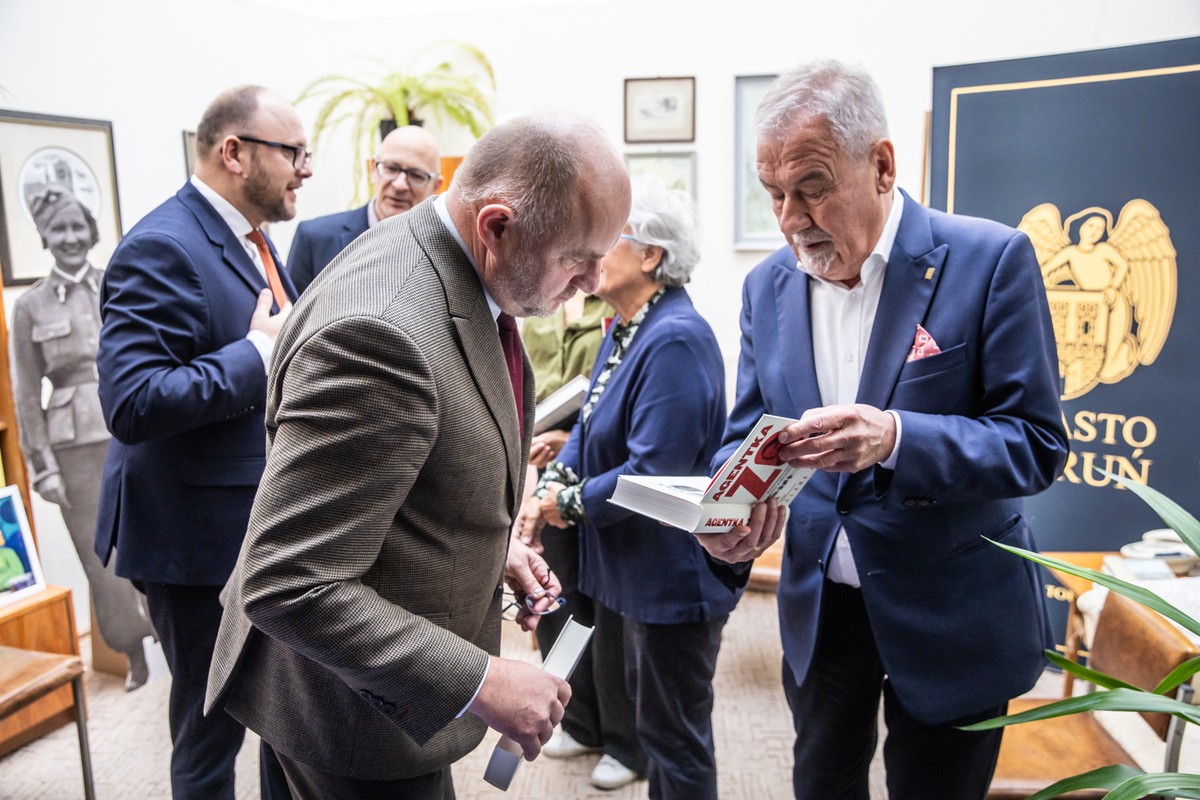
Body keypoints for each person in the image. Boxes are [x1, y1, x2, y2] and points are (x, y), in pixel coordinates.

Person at [205, 111, 631, 799]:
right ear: (496, 226)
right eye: (578, 258)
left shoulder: (447, 258)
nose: (593, 280)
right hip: (352, 720)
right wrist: (483, 680)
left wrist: (491, 548)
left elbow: (414, 468)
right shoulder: (384, 333)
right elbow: (291, 581)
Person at [693, 60, 1069, 800]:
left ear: (883, 166)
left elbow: (1036, 443)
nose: (790, 219)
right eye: (773, 193)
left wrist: (897, 437)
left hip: (950, 613)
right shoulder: (766, 286)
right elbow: (748, 433)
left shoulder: (990, 260)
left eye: (811, 187)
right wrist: (731, 508)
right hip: (822, 608)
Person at [94, 85, 307, 800]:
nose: (305, 169)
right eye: (293, 152)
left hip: (253, 527)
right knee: (209, 730)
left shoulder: (255, 238)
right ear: (234, 152)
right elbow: (133, 403)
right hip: (191, 540)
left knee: (283, 712)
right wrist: (257, 352)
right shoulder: (162, 246)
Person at [519, 179, 738, 798]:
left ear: (651, 255)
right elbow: (588, 427)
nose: (591, 251)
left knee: (673, 738)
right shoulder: (628, 326)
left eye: (610, 238)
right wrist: (555, 482)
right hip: (630, 565)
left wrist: (565, 503)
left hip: (671, 575)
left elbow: (650, 473)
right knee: (653, 721)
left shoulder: (675, 336)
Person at [9, 184, 156, 691]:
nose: (69, 237)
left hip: (133, 428)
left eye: (77, 227)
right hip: (75, 448)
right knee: (100, 556)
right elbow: (25, 394)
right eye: (59, 229)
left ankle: (169, 634)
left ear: (91, 233)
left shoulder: (118, 282)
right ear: (45, 238)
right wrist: (43, 467)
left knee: (152, 533)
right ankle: (131, 651)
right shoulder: (30, 306)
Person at [287, 125, 442, 293]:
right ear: (373, 169)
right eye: (391, 168)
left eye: (416, 175)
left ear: (436, 186)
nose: (399, 185)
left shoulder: (444, 253)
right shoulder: (314, 239)